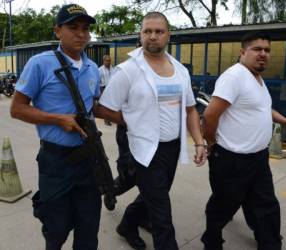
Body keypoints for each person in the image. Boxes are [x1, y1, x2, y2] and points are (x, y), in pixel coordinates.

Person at [94, 11, 207, 250]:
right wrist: (133, 122)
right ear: (140, 35)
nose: (152, 36)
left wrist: (199, 141)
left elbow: (190, 110)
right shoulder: (127, 70)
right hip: (144, 146)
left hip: (172, 147)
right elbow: (103, 109)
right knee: (162, 214)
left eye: (158, 31)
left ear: (168, 36)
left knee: (154, 196)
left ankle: (127, 224)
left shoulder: (180, 71)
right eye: (147, 31)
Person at [10, 4, 102, 250]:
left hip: (89, 159)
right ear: (57, 31)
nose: (81, 34)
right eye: (73, 27)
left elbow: (95, 107)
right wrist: (58, 119)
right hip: (56, 160)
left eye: (85, 28)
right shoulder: (40, 63)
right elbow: (17, 108)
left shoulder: (93, 68)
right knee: (57, 228)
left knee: (89, 228)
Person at [201, 31, 286, 250]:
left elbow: (262, 107)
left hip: (258, 158)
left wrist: (284, 121)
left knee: (266, 204)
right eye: (257, 49)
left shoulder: (257, 79)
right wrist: (210, 143)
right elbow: (210, 115)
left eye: (267, 50)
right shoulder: (235, 76)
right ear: (243, 51)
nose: (263, 54)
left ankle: (269, 242)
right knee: (224, 205)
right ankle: (212, 240)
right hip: (232, 159)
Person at [99, 55, 114, 125]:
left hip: (112, 89)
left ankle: (110, 118)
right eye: (107, 61)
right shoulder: (100, 70)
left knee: (111, 105)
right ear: (104, 61)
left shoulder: (113, 68)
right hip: (104, 89)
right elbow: (98, 81)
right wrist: (100, 92)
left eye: (109, 60)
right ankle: (106, 120)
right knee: (105, 105)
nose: (108, 62)